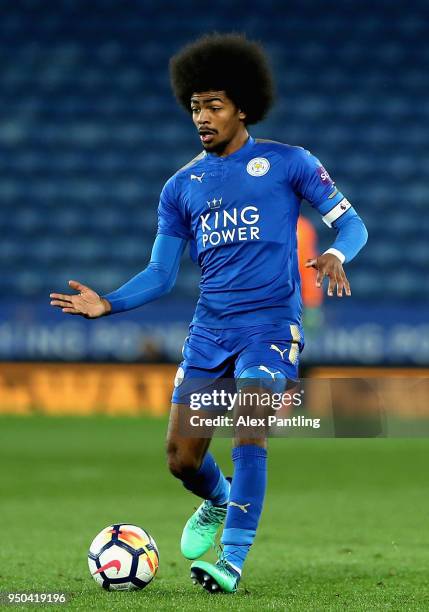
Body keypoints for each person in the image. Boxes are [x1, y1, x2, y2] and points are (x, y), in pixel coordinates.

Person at [50, 33, 368, 594]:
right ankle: (220, 501)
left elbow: (354, 225)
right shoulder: (180, 187)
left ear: (243, 106)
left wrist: (337, 254)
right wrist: (110, 302)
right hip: (210, 332)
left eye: (214, 105)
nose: (202, 116)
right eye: (195, 106)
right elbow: (161, 273)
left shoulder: (289, 163)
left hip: (271, 325)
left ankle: (232, 560)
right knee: (180, 459)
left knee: (250, 427)